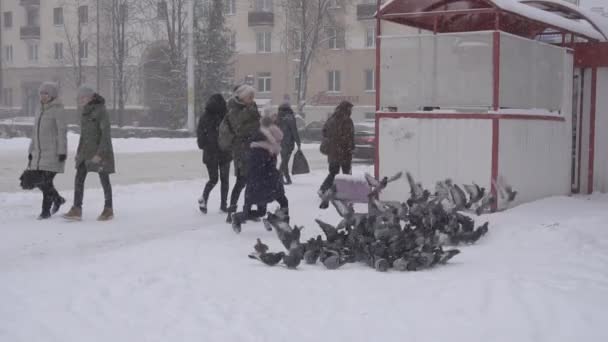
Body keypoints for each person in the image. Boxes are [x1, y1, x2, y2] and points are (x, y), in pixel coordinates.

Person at [63, 85, 115, 221]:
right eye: (79, 97)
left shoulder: (101, 110)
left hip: (100, 152)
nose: (81, 99)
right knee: (79, 178)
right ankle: (77, 209)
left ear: (91, 97)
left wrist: (100, 153)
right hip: (85, 152)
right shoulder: (85, 111)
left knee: (104, 179)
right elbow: (84, 135)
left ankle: (108, 209)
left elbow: (106, 134)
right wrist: (79, 152)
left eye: (83, 97)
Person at [231, 112, 288, 233]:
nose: (279, 144)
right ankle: (238, 217)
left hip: (265, 184)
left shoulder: (267, 149)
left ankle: (280, 224)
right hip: (260, 185)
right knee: (280, 203)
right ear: (271, 139)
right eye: (277, 141)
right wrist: (275, 174)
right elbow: (259, 169)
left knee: (269, 208)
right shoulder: (260, 150)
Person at [27, 82, 68, 219]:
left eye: (46, 93)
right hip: (39, 154)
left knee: (45, 182)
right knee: (42, 182)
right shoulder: (39, 109)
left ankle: (45, 212)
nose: (43, 96)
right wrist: (31, 150)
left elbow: (62, 132)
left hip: (53, 153)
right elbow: (35, 133)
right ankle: (57, 199)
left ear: (52, 95)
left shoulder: (58, 109)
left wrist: (62, 151)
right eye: (41, 93)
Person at [222, 84, 261, 222]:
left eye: (253, 96)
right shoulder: (234, 109)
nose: (252, 99)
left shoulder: (251, 108)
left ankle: (247, 211)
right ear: (243, 97)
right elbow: (239, 129)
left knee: (252, 182)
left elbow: (257, 125)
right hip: (241, 150)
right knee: (241, 181)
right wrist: (253, 122)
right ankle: (231, 211)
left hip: (253, 149)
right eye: (250, 96)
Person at [196, 94, 231, 213]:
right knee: (224, 180)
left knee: (213, 179)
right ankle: (223, 205)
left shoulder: (205, 117)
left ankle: (204, 198)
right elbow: (232, 132)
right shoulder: (225, 116)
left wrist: (205, 144)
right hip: (224, 152)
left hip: (210, 153)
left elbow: (200, 137)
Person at [319, 101, 355, 194]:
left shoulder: (332, 118)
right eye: (350, 109)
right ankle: (348, 191)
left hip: (333, 152)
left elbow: (324, 132)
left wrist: (332, 141)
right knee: (346, 173)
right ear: (346, 109)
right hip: (344, 151)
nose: (351, 111)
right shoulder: (347, 120)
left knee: (333, 173)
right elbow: (349, 137)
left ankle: (323, 189)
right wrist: (351, 147)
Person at [277, 102, 301, 185]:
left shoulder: (278, 117)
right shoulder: (290, 117)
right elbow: (294, 131)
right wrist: (298, 142)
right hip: (288, 142)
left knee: (284, 160)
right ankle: (278, 177)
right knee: (285, 161)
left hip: (279, 142)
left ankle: (287, 178)